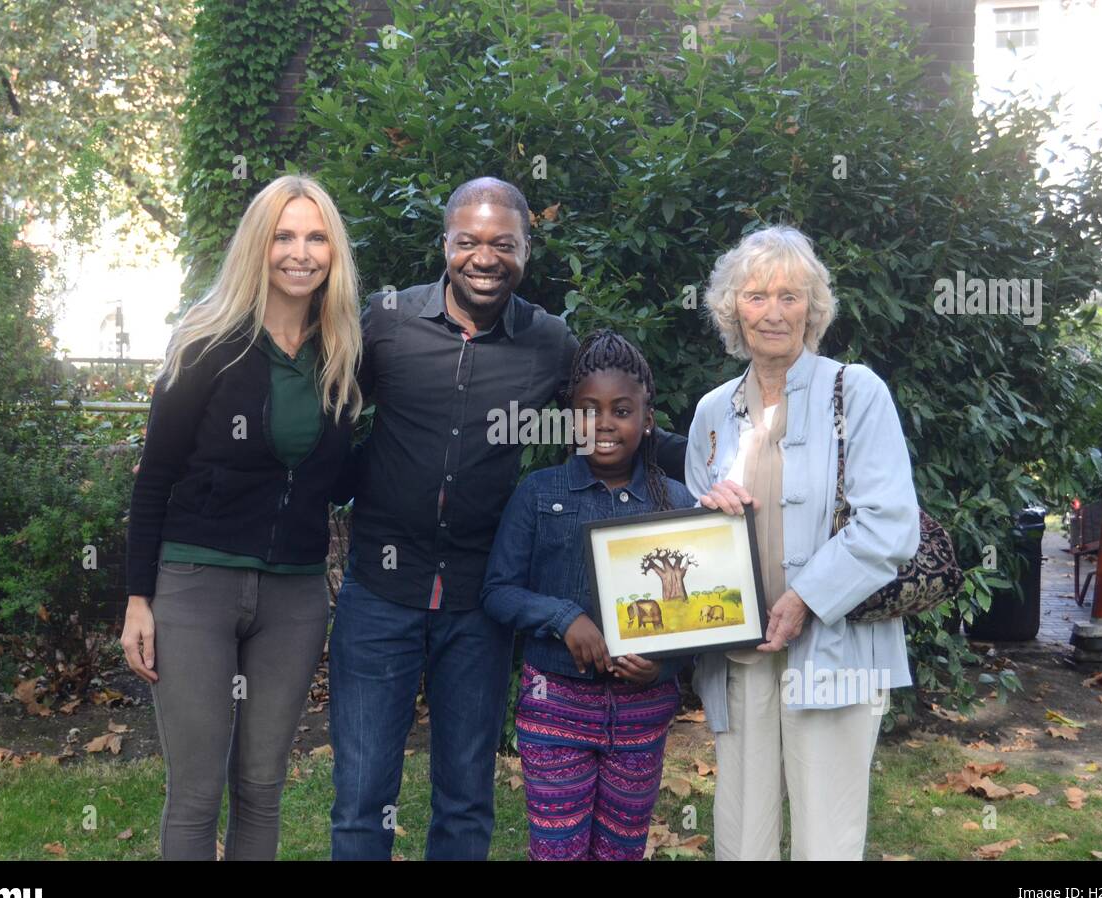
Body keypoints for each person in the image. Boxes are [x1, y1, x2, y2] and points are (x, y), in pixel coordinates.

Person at [327, 177, 687, 860]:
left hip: (476, 603)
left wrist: (707, 458)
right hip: (380, 591)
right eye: (467, 242)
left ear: (526, 249)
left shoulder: (549, 341)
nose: (483, 257)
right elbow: (330, 419)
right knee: (362, 798)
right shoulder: (388, 321)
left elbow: (610, 420)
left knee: (465, 797)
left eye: (503, 243)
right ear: (445, 244)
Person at [120, 175, 363, 860]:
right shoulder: (205, 342)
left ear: (332, 252)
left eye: (316, 237)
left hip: (293, 594)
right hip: (196, 584)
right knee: (196, 792)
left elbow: (339, 475)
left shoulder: (342, 354)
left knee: (261, 784)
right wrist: (140, 597)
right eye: (283, 236)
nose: (300, 252)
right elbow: (156, 475)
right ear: (258, 245)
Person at [686, 224, 920, 860]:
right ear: (732, 307)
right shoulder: (711, 411)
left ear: (813, 310)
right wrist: (705, 510)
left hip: (836, 647)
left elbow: (891, 524)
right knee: (741, 835)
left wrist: (805, 600)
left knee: (828, 836)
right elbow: (692, 535)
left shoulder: (858, 391)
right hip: (740, 652)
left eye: (791, 296)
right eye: (757, 295)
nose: (773, 312)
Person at [481, 330, 695, 861]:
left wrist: (664, 666)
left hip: (642, 714)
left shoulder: (677, 504)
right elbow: (498, 591)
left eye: (621, 410)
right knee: (557, 849)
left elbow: (698, 619)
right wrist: (561, 616)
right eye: (588, 410)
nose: (603, 424)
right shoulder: (539, 494)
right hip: (554, 706)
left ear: (647, 419)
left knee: (621, 849)